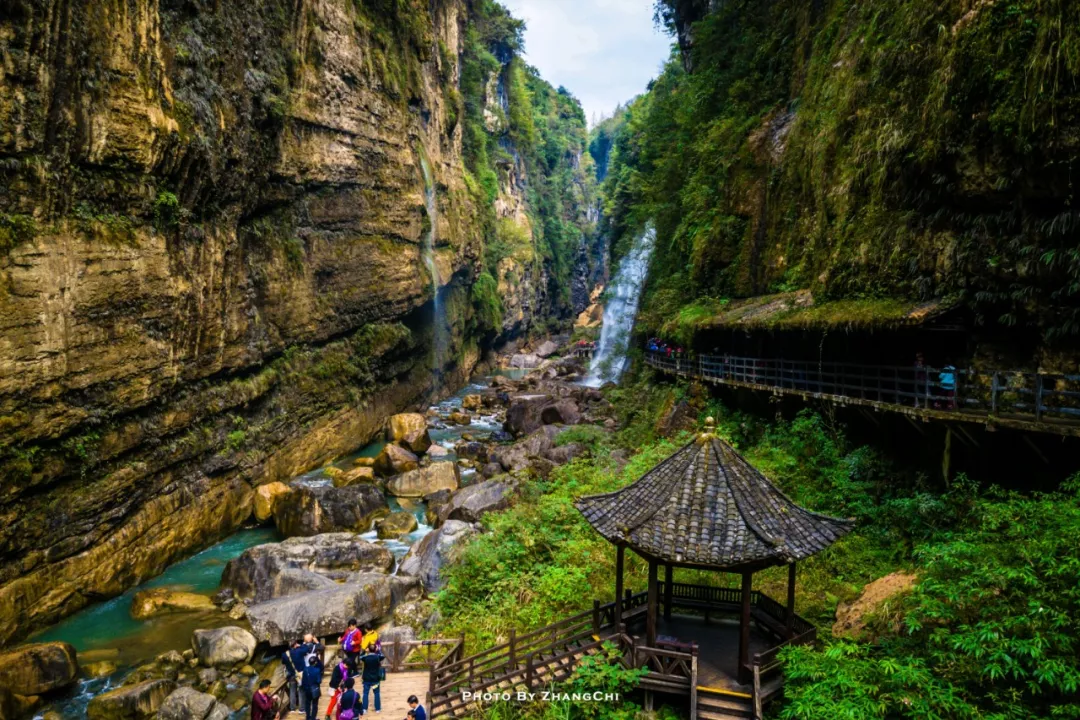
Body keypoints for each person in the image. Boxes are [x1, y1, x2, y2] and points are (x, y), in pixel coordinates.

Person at [326, 656, 355, 720]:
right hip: (335, 686)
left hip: (343, 686)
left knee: (342, 701)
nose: (347, 667)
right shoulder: (337, 668)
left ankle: (340, 713)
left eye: (348, 666)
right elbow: (334, 679)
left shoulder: (347, 669)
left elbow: (348, 677)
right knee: (333, 701)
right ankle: (327, 714)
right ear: (344, 663)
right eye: (346, 665)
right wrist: (338, 687)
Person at [359, 647, 385, 714]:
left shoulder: (365, 657)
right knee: (376, 693)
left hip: (366, 679)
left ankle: (364, 709)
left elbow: (360, 656)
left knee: (365, 693)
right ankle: (378, 709)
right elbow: (383, 656)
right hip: (375, 679)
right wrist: (378, 650)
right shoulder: (377, 657)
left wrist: (365, 651)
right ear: (375, 650)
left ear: (369, 649)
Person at [285, 639, 306, 712]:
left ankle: (292, 708)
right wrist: (300, 645)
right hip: (300, 675)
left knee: (292, 691)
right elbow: (306, 649)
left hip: (291, 675)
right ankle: (301, 709)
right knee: (301, 691)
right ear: (295, 645)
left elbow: (283, 662)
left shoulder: (285, 654)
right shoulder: (300, 651)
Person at [300, 655, 323, 720]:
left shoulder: (305, 669)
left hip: (307, 689)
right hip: (314, 690)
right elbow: (319, 681)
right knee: (315, 705)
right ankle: (313, 718)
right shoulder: (317, 670)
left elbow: (303, 680)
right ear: (315, 662)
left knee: (307, 704)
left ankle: (308, 717)